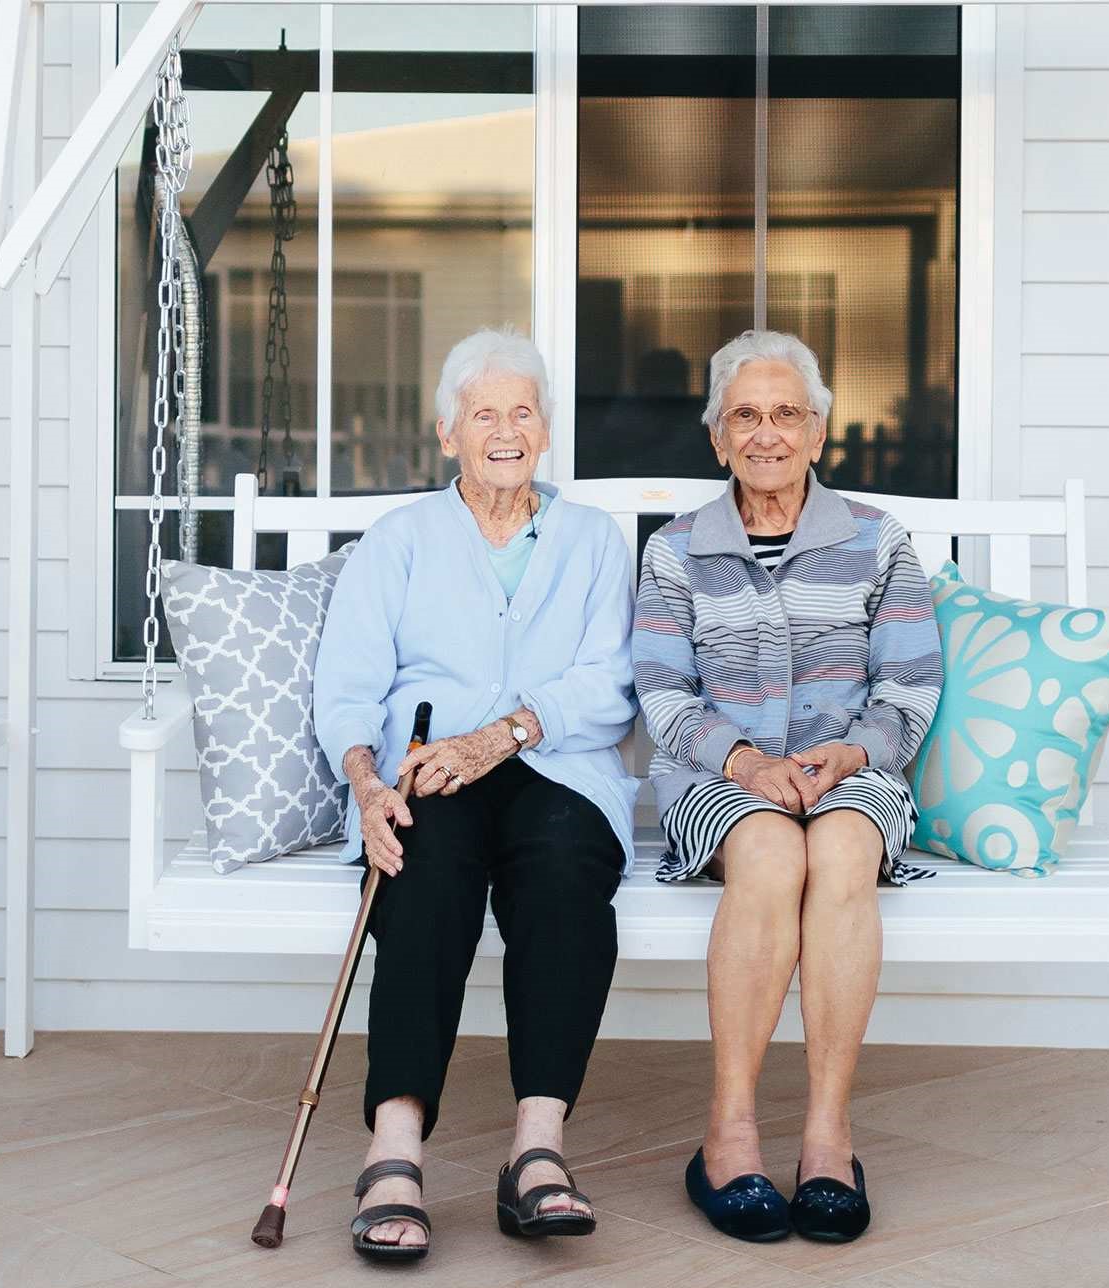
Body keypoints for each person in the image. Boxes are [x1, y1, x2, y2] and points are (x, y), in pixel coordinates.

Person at [312, 327, 641, 1263]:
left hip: (555, 763)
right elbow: (345, 688)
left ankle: (538, 1151)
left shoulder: (589, 541)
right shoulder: (401, 540)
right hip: (423, 770)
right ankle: (395, 1148)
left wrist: (506, 732)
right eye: (484, 413)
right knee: (423, 869)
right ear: (448, 432)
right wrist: (370, 786)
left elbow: (610, 681)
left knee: (566, 870)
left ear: (545, 432)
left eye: (523, 412)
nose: (506, 430)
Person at [632, 330, 944, 1244]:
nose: (765, 434)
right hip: (717, 774)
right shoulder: (677, 550)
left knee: (841, 845)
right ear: (718, 439)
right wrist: (746, 764)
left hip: (853, 769)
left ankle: (825, 1136)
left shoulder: (878, 542)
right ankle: (728, 1133)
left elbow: (910, 684)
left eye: (786, 414)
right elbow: (662, 691)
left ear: (818, 434)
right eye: (744, 416)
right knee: (769, 851)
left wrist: (848, 757)